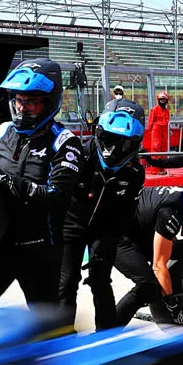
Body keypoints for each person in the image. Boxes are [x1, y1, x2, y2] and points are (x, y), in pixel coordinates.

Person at [0, 58, 80, 314]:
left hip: (39, 249)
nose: (23, 108)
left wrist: (13, 185)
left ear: (49, 103)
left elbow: (57, 196)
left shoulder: (65, 143)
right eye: (19, 100)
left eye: (32, 102)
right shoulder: (3, 132)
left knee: (47, 324)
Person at [60, 99, 147, 330]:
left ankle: (107, 335)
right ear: (99, 134)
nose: (114, 150)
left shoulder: (136, 173)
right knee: (67, 282)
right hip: (72, 224)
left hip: (105, 230)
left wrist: (106, 244)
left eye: (124, 143)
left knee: (100, 281)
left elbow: (126, 214)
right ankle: (61, 336)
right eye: (109, 140)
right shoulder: (78, 154)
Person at [111, 163, 183, 325]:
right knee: (148, 285)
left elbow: (168, 243)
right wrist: (172, 305)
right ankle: (110, 330)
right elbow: (159, 266)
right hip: (116, 236)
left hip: (137, 230)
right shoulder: (170, 211)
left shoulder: (180, 200)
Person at [144, 90, 172, 163]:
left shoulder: (167, 111)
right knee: (156, 147)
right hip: (156, 130)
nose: (162, 101)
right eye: (161, 100)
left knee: (164, 148)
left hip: (165, 130)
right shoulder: (154, 109)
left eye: (164, 100)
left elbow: (167, 121)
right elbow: (150, 121)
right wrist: (150, 131)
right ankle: (155, 169)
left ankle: (163, 167)